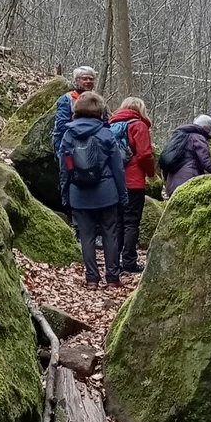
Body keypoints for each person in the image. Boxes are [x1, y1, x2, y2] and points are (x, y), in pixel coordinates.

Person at [57, 91, 128, 288]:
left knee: (86, 236)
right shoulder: (106, 133)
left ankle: (92, 279)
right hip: (107, 193)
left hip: (79, 193)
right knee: (110, 234)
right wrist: (123, 195)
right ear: (100, 112)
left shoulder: (68, 135)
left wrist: (65, 194)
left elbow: (64, 168)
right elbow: (117, 168)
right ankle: (112, 278)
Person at [109, 97, 156, 274]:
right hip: (133, 181)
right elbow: (145, 155)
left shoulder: (111, 124)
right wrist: (151, 174)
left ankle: (113, 262)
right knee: (131, 222)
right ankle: (129, 261)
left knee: (117, 222)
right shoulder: (139, 125)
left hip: (113, 180)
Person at [163, 115, 211, 197]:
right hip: (188, 181)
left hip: (171, 185)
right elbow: (206, 161)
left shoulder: (179, 136)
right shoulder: (198, 137)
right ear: (206, 128)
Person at [52, 67, 108, 152]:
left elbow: (105, 123)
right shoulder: (67, 99)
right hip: (70, 146)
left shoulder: (98, 100)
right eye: (84, 79)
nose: (88, 81)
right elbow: (61, 125)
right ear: (76, 80)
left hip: (96, 147)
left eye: (91, 79)